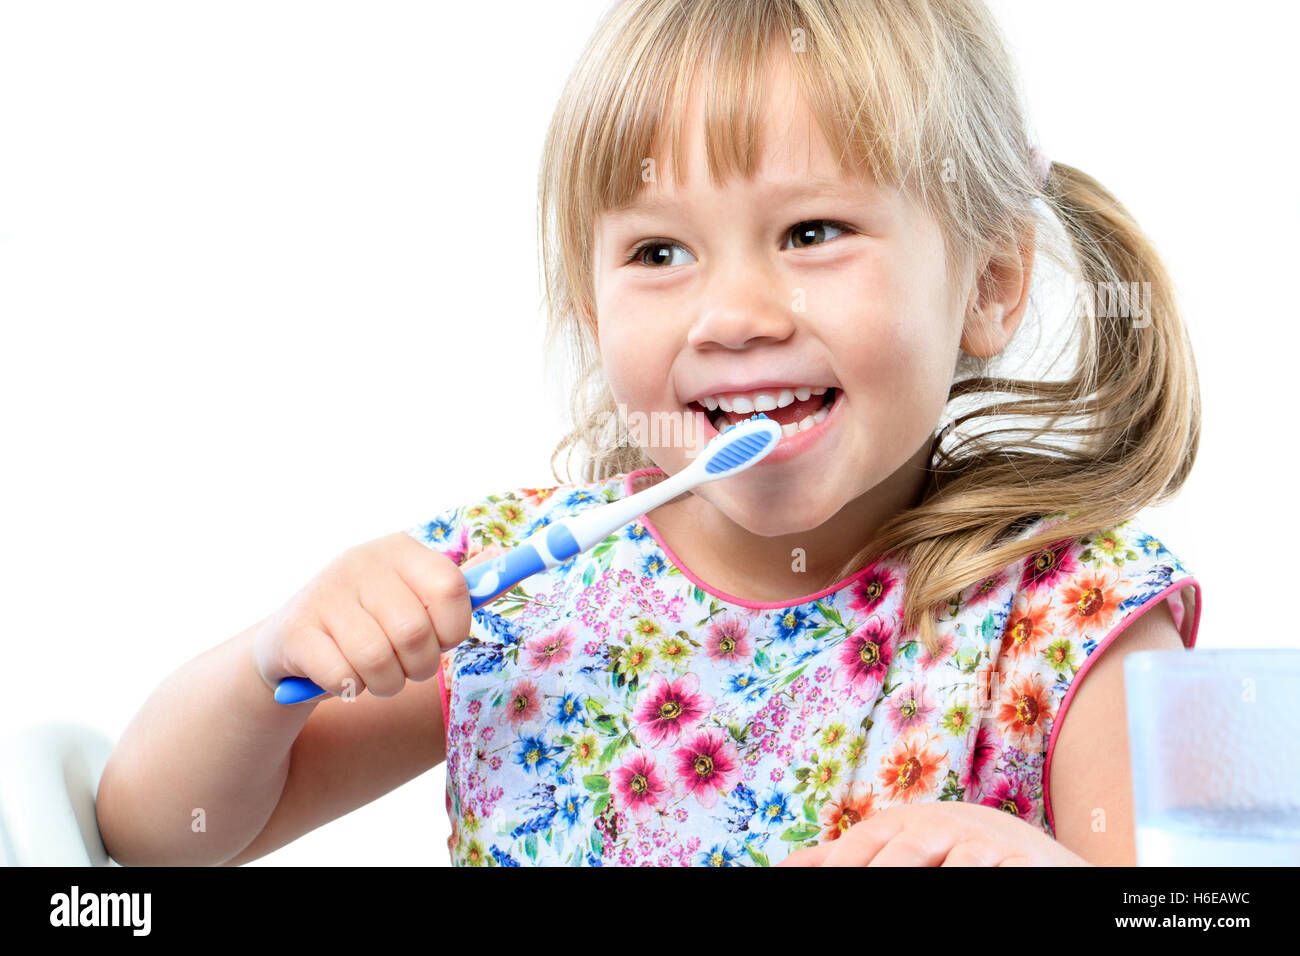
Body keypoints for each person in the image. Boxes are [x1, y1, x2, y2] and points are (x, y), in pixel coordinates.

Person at [96, 0, 1202, 867]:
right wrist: (264, 663)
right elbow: (156, 837)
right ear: (590, 309)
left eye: (811, 231)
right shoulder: (510, 592)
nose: (732, 316)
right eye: (659, 253)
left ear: (991, 282)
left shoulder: (1077, 614)